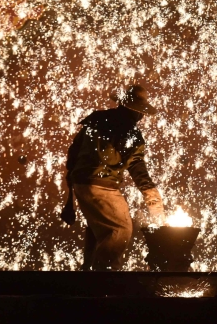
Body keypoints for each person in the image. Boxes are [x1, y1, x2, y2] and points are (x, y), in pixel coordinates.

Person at [64, 85, 165, 271]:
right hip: (101, 186)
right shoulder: (129, 131)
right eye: (140, 112)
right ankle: (103, 279)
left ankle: (87, 273)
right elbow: (137, 166)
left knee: (99, 230)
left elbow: (73, 154)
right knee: (120, 230)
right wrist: (152, 197)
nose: (141, 117)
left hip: (80, 184)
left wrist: (69, 195)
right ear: (135, 111)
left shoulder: (95, 120)